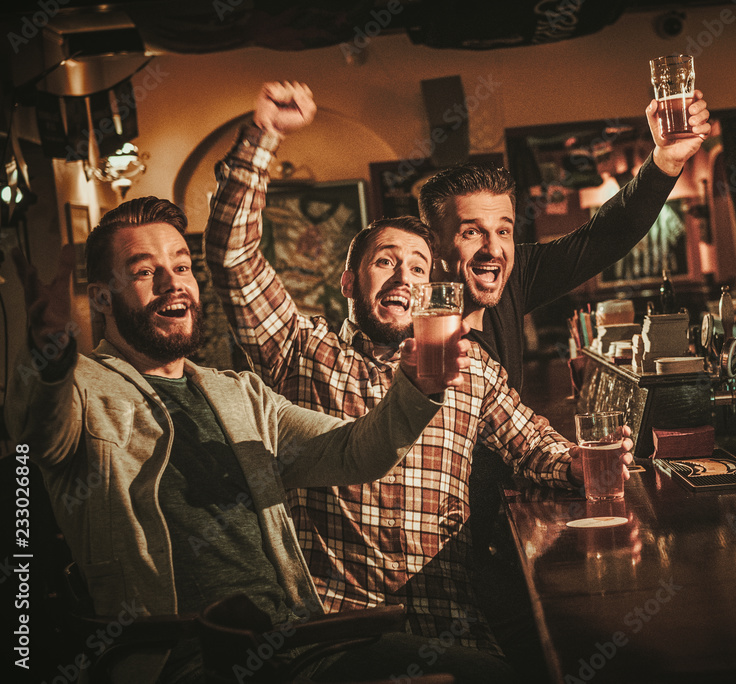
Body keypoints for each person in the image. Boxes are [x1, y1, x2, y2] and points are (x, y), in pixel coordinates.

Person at [204, 82, 633, 677]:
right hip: (340, 630)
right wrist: (264, 137)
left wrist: (579, 462)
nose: (401, 277)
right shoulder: (302, 352)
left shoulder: (466, 364)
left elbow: (534, 443)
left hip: (450, 617)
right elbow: (232, 258)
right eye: (384, 261)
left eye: (416, 267)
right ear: (350, 282)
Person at [3, 197, 503, 684]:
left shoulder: (238, 393)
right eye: (143, 271)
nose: (171, 283)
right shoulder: (83, 389)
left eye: (181, 267)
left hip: (298, 645)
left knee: (498, 675)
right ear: (102, 297)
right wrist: (49, 359)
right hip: (179, 658)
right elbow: (37, 428)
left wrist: (415, 387)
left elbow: (356, 452)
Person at [418, 95, 711, 392]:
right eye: (471, 232)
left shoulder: (514, 277)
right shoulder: (412, 332)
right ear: (435, 244)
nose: (493, 249)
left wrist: (666, 161)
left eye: (503, 231)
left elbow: (603, 239)